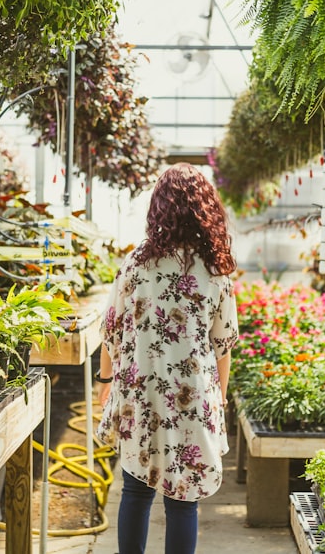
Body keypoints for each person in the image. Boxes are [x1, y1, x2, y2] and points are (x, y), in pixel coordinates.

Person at [96, 163, 238, 554]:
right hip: (193, 396)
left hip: (142, 392)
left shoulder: (137, 260)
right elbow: (223, 342)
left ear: (159, 206)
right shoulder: (216, 266)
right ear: (204, 208)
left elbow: (110, 327)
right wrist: (220, 398)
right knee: (183, 500)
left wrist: (105, 383)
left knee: (136, 492)